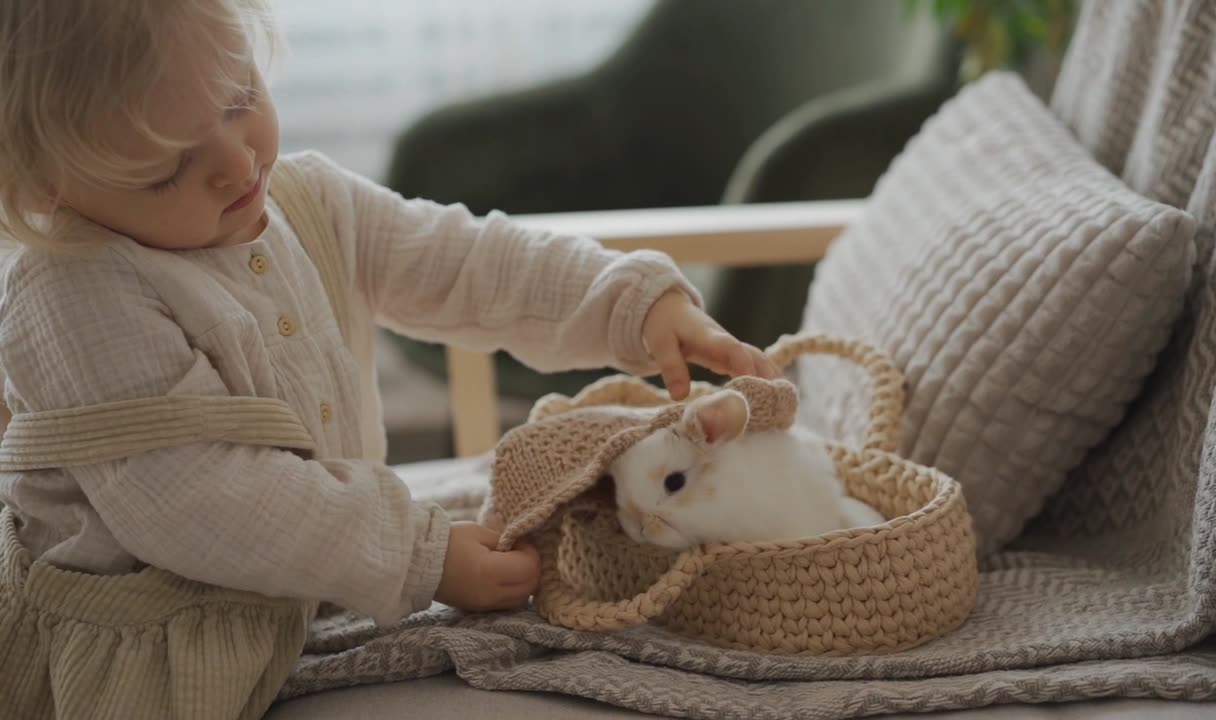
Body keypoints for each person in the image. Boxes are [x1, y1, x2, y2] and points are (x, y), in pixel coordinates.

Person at [0, 2, 778, 717]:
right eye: (165, 167)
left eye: (239, 99)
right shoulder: (71, 290)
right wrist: (420, 556)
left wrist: (629, 304)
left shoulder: (306, 201)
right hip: (142, 653)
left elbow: (465, 261)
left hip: (287, 589)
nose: (237, 164)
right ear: (49, 185)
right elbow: (204, 499)